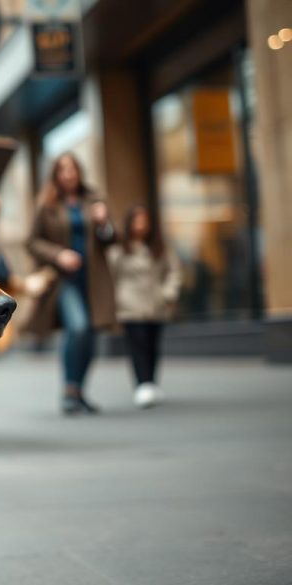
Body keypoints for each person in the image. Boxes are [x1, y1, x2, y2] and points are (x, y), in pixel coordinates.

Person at [27, 153, 116, 415]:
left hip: (93, 278)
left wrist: (103, 224)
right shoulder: (47, 205)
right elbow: (31, 242)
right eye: (63, 169)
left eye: (73, 168)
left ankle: (79, 390)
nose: (68, 174)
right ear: (56, 174)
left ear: (80, 171)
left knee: (90, 333)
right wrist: (59, 255)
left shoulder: (94, 200)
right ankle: (69, 390)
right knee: (77, 327)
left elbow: (111, 239)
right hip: (63, 281)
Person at [108, 205, 181, 408]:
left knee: (152, 345)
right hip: (129, 305)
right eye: (137, 221)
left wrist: (169, 292)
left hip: (156, 305)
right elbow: (110, 277)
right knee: (137, 345)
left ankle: (152, 382)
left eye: (144, 221)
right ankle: (142, 384)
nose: (141, 226)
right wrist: (114, 302)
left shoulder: (160, 248)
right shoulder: (120, 249)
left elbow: (173, 271)